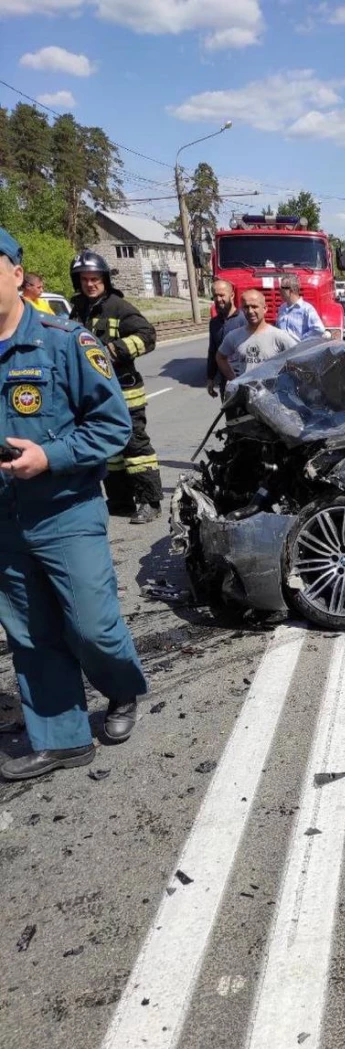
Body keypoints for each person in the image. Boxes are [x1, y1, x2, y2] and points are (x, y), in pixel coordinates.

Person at [0, 228, 147, 782]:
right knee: (30, 633)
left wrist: (52, 457)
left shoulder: (66, 341)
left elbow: (113, 426)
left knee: (91, 625)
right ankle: (62, 739)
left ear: (17, 274)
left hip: (65, 510)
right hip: (5, 521)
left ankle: (122, 688)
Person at [69, 251, 162, 523]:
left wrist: (114, 350)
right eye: (84, 279)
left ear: (105, 280)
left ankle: (150, 502)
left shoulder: (118, 306)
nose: (90, 284)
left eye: (95, 279)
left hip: (125, 392)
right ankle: (121, 501)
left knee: (135, 447)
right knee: (109, 450)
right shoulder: (78, 308)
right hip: (94, 395)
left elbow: (147, 336)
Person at [217, 288, 297, 381]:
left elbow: (299, 358)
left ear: (265, 309)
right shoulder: (233, 336)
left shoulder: (280, 336)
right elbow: (220, 357)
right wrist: (234, 380)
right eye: (246, 307)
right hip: (246, 393)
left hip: (271, 394)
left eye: (254, 307)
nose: (250, 311)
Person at [206, 279, 245, 398]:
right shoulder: (214, 323)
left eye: (222, 295)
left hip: (244, 381)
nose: (218, 299)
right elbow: (213, 351)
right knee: (230, 416)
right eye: (215, 296)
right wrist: (210, 378)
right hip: (225, 382)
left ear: (232, 295)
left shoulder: (244, 320)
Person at [275, 274, 326, 341]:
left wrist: (301, 341)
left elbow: (319, 329)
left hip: (299, 350)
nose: (279, 291)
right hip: (284, 350)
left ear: (290, 290)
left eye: (281, 288)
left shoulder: (307, 309)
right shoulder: (282, 308)